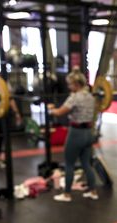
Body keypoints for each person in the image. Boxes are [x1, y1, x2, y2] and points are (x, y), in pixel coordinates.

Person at [48, 68, 98, 202]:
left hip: (76, 133)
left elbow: (59, 113)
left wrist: (51, 109)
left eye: (70, 84)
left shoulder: (75, 97)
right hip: (88, 133)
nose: (69, 87)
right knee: (86, 163)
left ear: (76, 84)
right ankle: (93, 191)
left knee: (69, 164)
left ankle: (67, 194)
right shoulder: (90, 96)